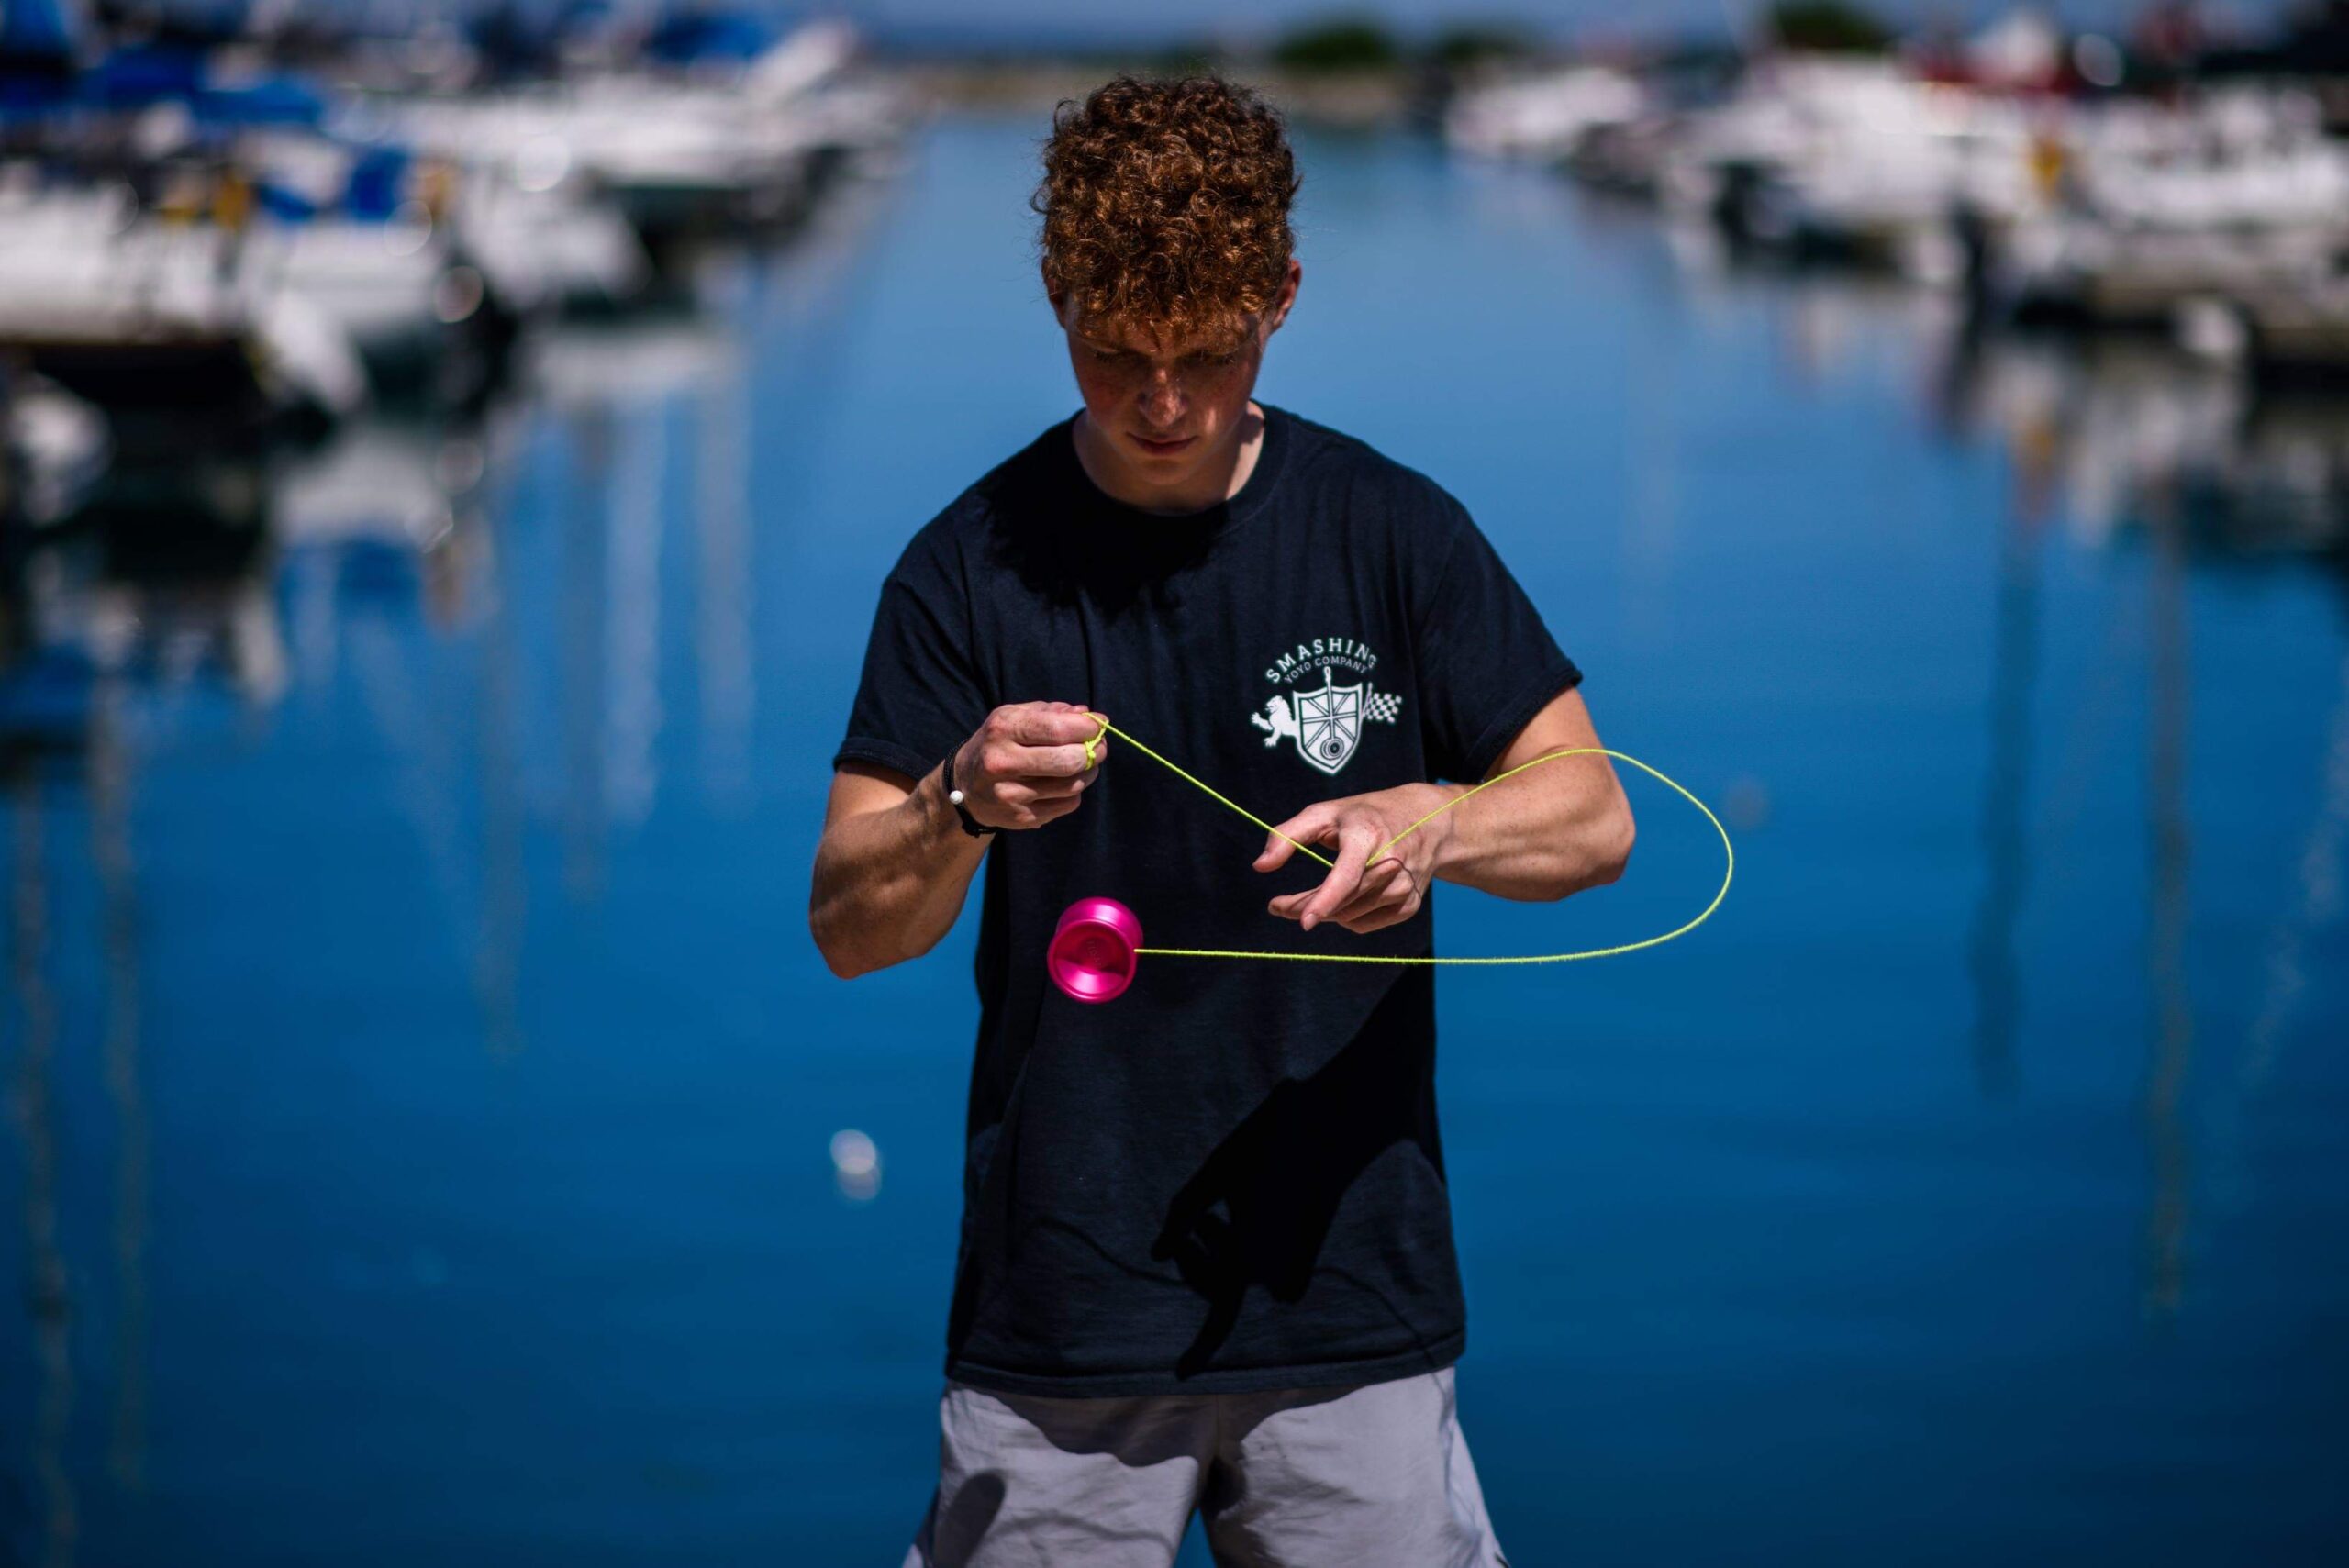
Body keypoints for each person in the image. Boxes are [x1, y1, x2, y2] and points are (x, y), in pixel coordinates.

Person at [811, 74, 1635, 1568]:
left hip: (1351, 1311)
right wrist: (956, 800)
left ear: (1284, 297)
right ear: (1058, 295)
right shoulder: (960, 572)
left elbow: (1595, 816)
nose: (1165, 402)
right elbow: (849, 927)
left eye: (1209, 351)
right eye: (1116, 354)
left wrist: (1434, 823)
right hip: (1058, 1325)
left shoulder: (1392, 530)